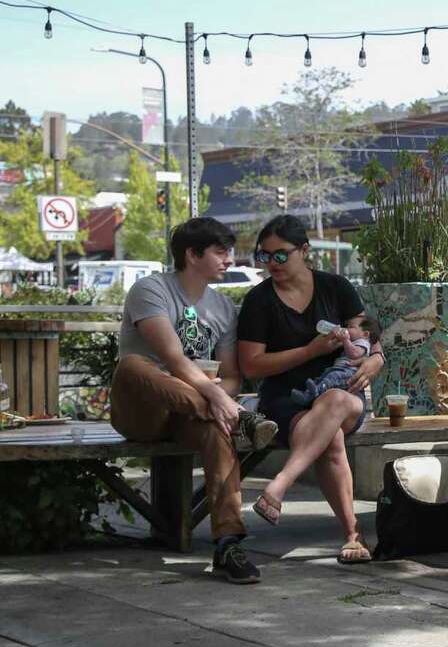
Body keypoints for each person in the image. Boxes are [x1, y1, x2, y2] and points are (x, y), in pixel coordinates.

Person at [111, 217, 278, 585]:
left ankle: (228, 544)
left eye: (229, 251)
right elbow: (173, 359)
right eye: (221, 252)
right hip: (142, 411)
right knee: (133, 366)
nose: (229, 260)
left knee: (218, 431)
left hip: (192, 414)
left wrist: (222, 398)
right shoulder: (150, 290)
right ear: (192, 254)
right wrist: (221, 398)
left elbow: (232, 375)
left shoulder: (222, 309)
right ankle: (241, 418)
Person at [236, 215, 385, 562]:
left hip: (342, 388)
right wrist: (309, 351)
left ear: (305, 251)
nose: (272, 263)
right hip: (287, 398)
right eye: (265, 255)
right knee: (329, 436)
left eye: (281, 255)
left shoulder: (336, 288)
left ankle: (280, 484)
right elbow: (251, 366)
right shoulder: (259, 301)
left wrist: (376, 359)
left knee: (334, 401)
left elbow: (368, 339)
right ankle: (352, 535)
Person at [289, 314, 381, 408]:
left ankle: (313, 394)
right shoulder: (353, 341)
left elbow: (354, 354)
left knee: (332, 378)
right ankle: (307, 395)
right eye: (347, 326)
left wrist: (345, 340)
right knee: (322, 377)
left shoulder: (363, 343)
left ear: (365, 334)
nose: (346, 329)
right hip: (339, 369)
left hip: (348, 373)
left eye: (351, 327)